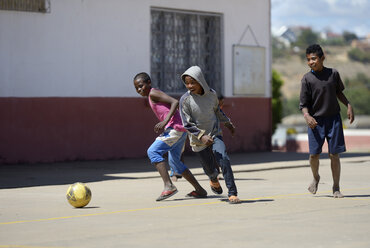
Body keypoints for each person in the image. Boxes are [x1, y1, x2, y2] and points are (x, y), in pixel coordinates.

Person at [133, 72, 207, 201]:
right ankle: (200, 190)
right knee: (175, 163)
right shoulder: (151, 95)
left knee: (153, 151)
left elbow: (175, 102)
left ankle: (169, 185)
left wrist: (165, 121)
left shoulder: (153, 93)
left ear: (149, 83)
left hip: (175, 128)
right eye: (137, 88)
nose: (139, 90)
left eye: (141, 86)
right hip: (179, 129)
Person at [179, 66, 241, 204]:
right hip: (198, 140)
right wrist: (201, 136)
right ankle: (213, 179)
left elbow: (217, 111)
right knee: (210, 169)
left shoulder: (212, 94)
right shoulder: (185, 100)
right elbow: (187, 124)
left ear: (200, 81)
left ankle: (232, 193)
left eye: (192, 82)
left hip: (214, 134)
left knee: (224, 158)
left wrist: (228, 123)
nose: (189, 86)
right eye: (187, 83)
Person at [299, 44, 355, 198]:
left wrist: (348, 105)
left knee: (334, 154)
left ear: (322, 58)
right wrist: (307, 116)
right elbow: (303, 105)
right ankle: (316, 177)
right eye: (308, 60)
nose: (311, 62)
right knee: (313, 155)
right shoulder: (306, 79)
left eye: (314, 59)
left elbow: (339, 93)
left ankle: (336, 187)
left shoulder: (333, 74)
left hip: (334, 120)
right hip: (315, 122)